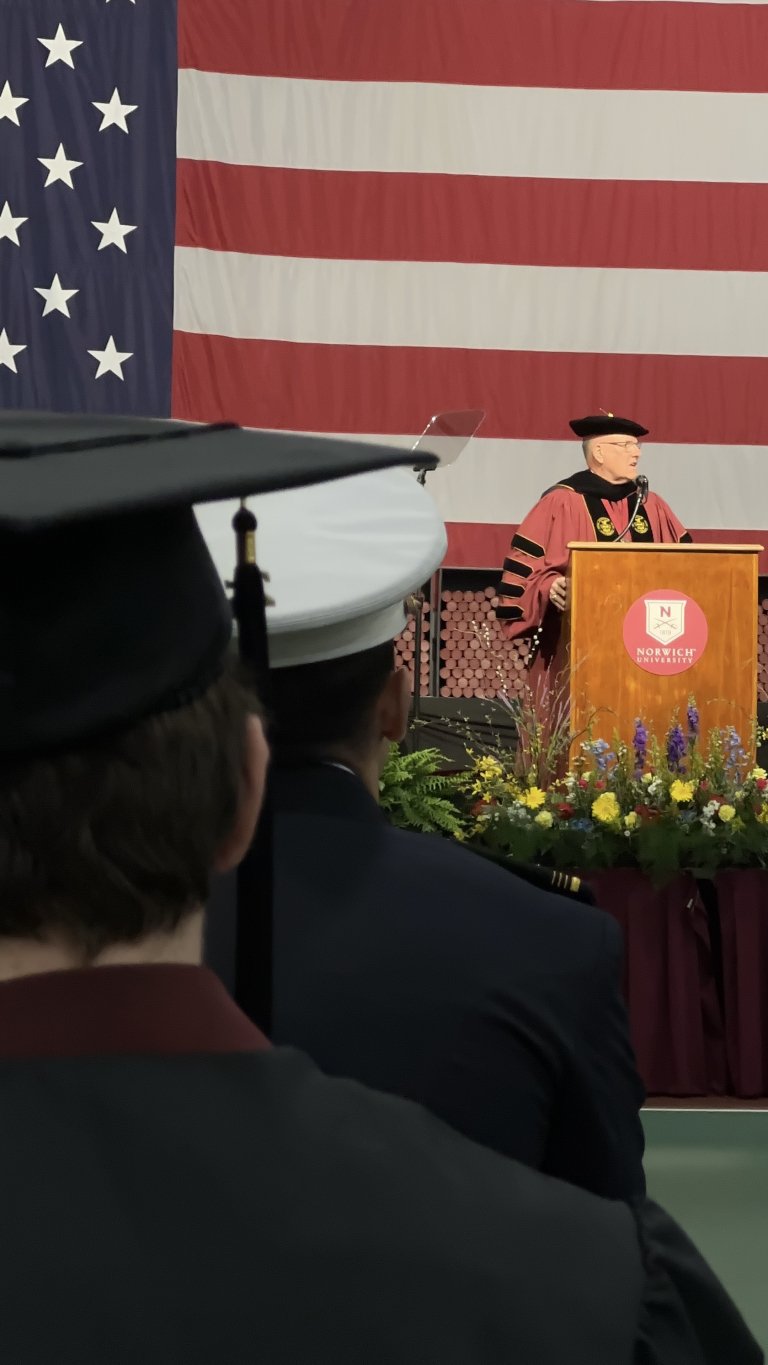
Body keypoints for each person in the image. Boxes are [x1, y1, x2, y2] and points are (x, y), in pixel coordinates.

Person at [0, 415, 760, 1365]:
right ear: (243, 789)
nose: (633, 457)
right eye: (620, 447)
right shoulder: (590, 1284)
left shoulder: (658, 512)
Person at [495, 413, 691, 678]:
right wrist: (550, 586)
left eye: (637, 445)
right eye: (626, 445)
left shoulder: (651, 504)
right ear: (599, 452)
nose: (636, 453)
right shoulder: (561, 502)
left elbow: (689, 565)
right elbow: (524, 569)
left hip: (650, 642)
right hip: (576, 645)